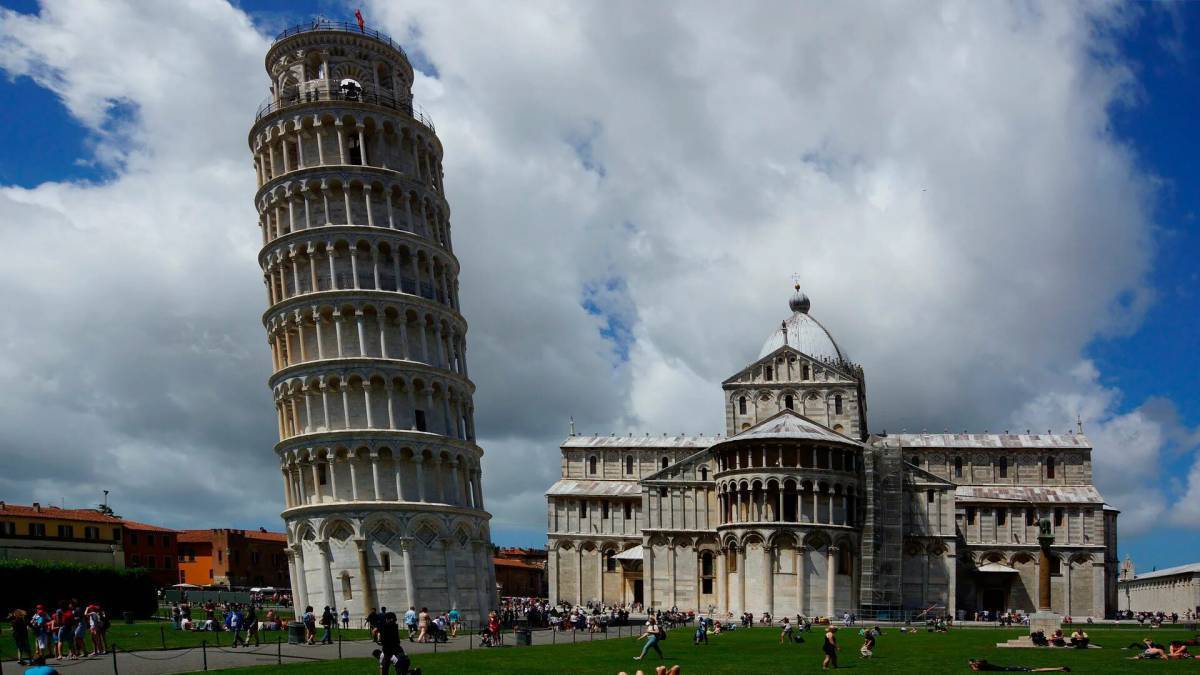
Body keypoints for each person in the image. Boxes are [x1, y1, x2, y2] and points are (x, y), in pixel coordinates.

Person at [968, 659, 1071, 672]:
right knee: (1037, 669)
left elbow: (975, 670)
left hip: (1011, 669)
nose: (975, 663)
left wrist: (971, 665)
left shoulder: (984, 666)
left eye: (977, 663)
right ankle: (1060, 669)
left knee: (1036, 670)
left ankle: (1060, 668)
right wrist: (972, 663)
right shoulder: (985, 665)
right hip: (1011, 668)